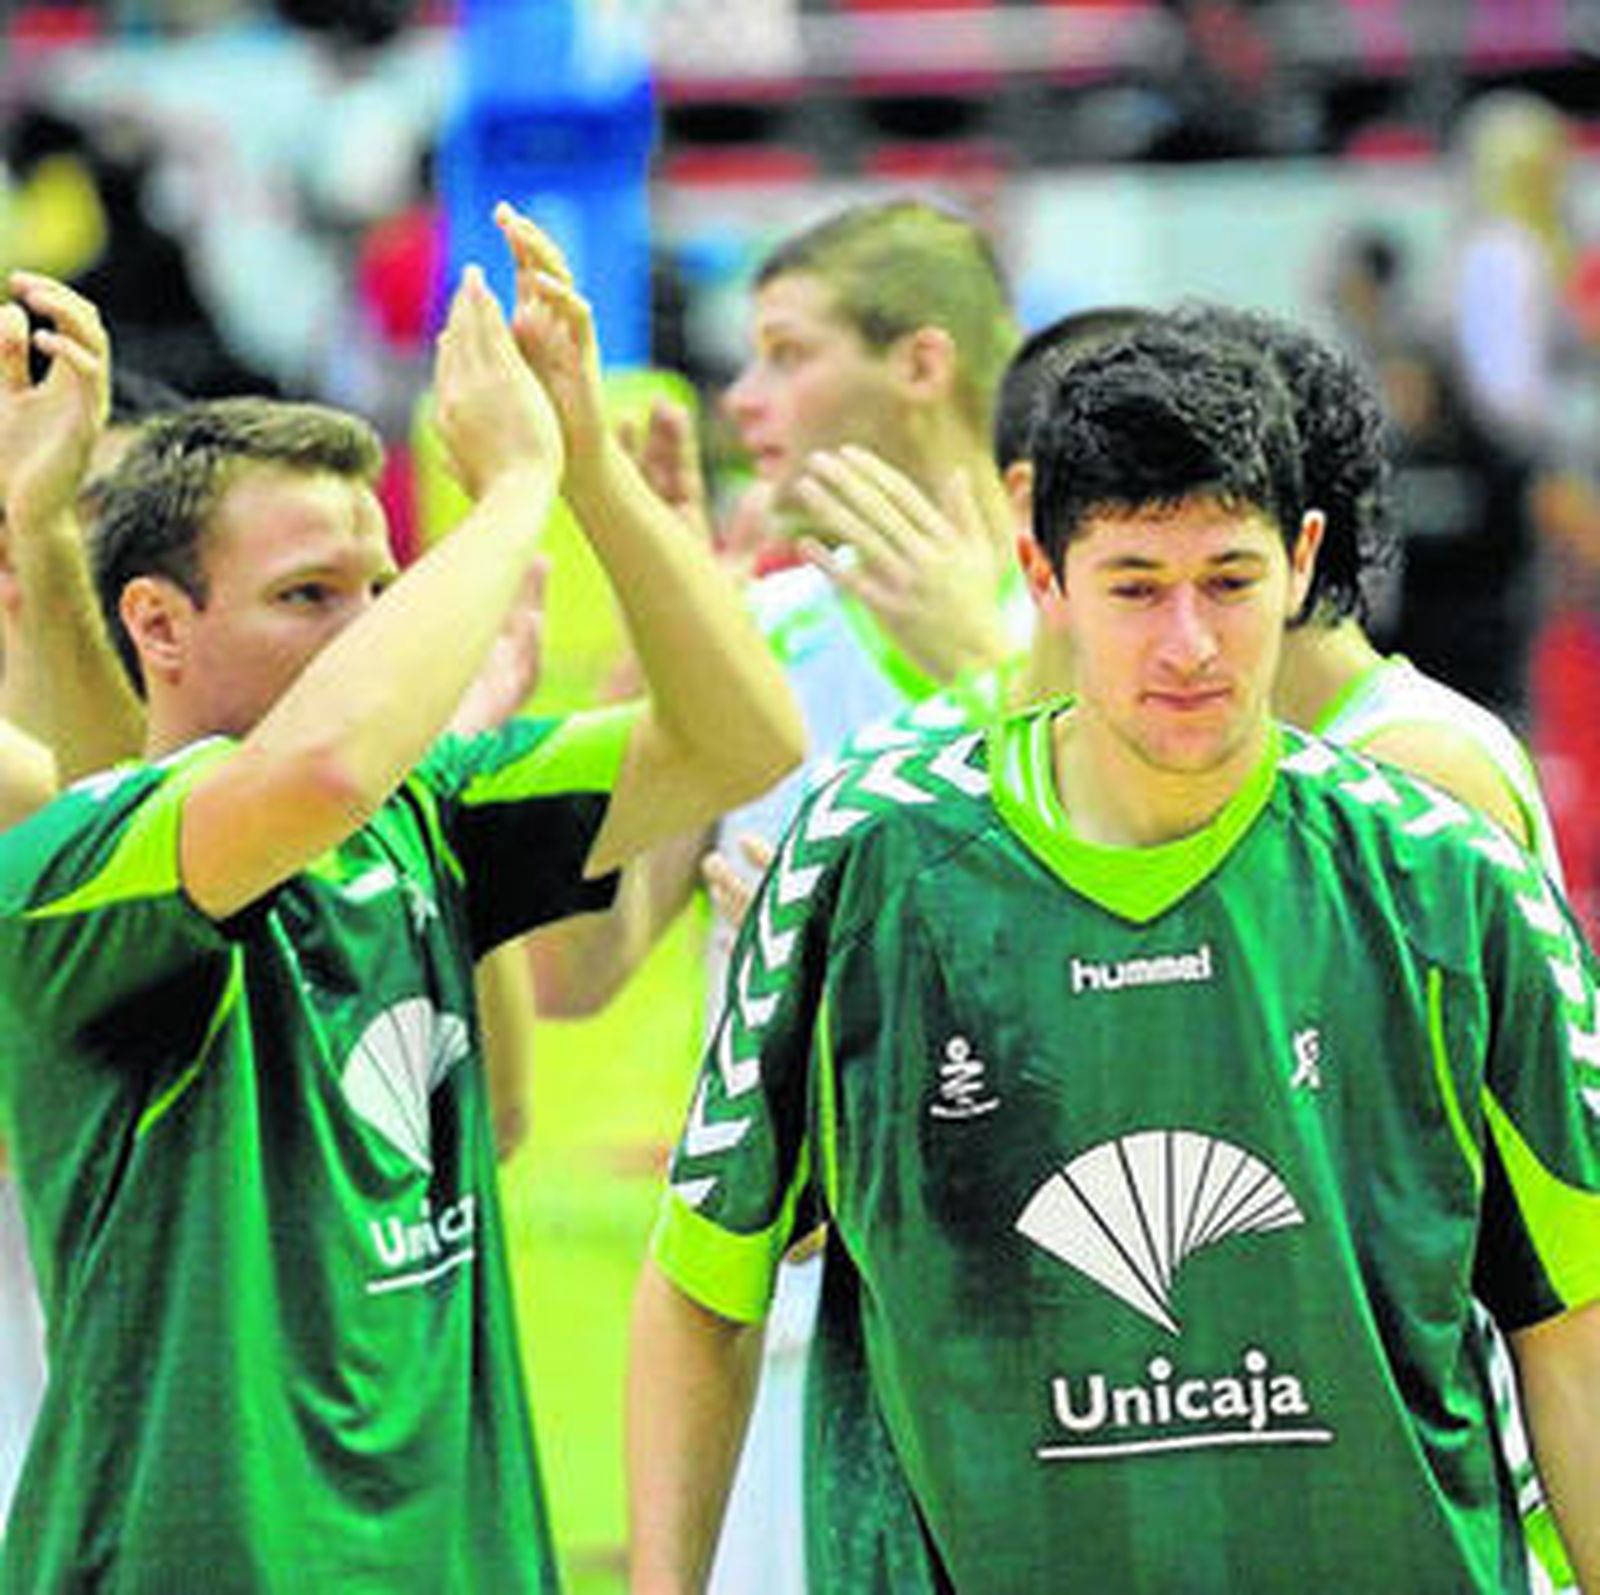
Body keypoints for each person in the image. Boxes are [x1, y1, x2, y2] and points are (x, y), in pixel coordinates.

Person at [626, 321, 1600, 1592]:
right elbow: (703, 1288)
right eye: (1136, 585)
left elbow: (1571, 1321)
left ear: (1303, 561)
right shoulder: (867, 863)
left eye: (1230, 580)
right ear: (1043, 571)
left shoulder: (1446, 877)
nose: (1188, 641)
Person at [0, 202, 802, 1592]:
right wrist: (506, 495)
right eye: (311, 593)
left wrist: (593, 469)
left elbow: (744, 736)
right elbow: (310, 767)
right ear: (161, 626)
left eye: (380, 582)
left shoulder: (421, 808)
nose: (372, 627)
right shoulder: (84, 861)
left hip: (458, 1552)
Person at [531, 196, 1023, 1595]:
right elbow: (577, 973)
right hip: (786, 1317)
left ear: (920, 364)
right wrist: (659, 636)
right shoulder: (762, 638)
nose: (743, 397)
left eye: (786, 353)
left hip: (1026, 1312)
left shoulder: (1086, 636)